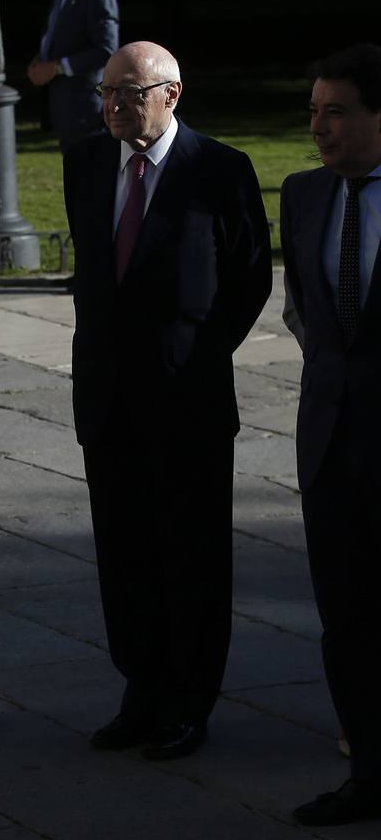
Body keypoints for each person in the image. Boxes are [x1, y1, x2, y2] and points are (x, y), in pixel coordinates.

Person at [63, 41, 270, 761]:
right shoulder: (87, 162)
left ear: (171, 95)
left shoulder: (218, 169)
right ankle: (140, 690)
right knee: (124, 556)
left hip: (188, 402)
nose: (115, 104)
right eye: (107, 92)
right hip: (108, 399)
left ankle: (189, 700)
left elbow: (248, 278)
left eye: (130, 92)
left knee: (191, 556)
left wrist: (199, 354)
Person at [281, 43, 381, 827]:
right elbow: (304, 309)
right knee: (345, 617)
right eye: (314, 112)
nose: (319, 127)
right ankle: (368, 776)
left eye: (336, 111)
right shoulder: (304, 194)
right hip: (329, 441)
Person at [27, 0, 119, 153]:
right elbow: (61, 38)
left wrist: (58, 67)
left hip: (86, 111)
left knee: (89, 174)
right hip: (64, 108)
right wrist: (40, 60)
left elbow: (106, 49)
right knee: (74, 175)